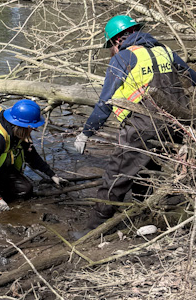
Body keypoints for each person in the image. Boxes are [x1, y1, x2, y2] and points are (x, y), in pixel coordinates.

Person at [73, 15, 196, 230]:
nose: (111, 50)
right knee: (147, 167)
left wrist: (86, 133)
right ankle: (145, 212)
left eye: (110, 45)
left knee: (117, 172)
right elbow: (193, 77)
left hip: (143, 125)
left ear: (116, 40)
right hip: (176, 124)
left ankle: (98, 224)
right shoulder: (165, 50)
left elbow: (105, 102)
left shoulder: (124, 57)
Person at [0, 99, 64, 210]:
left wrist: (52, 175)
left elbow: (32, 156)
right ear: (25, 126)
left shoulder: (18, 133)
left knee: (26, 190)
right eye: (33, 127)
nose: (34, 130)